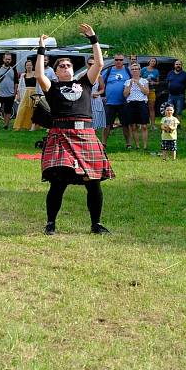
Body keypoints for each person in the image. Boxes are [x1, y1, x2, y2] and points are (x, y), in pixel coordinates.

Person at [36, 24, 114, 236]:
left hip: (86, 135)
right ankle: (51, 223)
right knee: (58, 182)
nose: (65, 67)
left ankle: (96, 224)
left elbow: (98, 63)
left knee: (94, 182)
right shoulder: (51, 86)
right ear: (56, 70)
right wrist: (41, 48)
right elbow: (39, 73)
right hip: (61, 135)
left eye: (68, 64)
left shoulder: (85, 83)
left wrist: (93, 38)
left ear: (73, 68)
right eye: (61, 65)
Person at [101, 53, 131, 148]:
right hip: (110, 102)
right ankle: (103, 143)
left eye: (121, 60)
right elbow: (101, 80)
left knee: (125, 124)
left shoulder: (127, 70)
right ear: (114, 60)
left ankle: (128, 144)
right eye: (117, 60)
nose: (118, 61)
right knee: (107, 124)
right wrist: (102, 93)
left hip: (123, 102)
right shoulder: (109, 70)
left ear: (123, 61)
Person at [123, 62, 150, 149]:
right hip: (131, 103)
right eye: (133, 69)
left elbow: (146, 92)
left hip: (141, 103)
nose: (134, 71)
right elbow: (125, 95)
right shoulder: (127, 81)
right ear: (131, 71)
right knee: (133, 126)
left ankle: (145, 146)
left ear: (139, 71)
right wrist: (130, 84)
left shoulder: (144, 81)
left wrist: (138, 83)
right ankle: (137, 145)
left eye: (136, 69)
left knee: (144, 126)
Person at [13, 59, 38, 131]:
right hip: (26, 93)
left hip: (34, 93)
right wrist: (18, 95)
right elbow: (20, 86)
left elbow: (39, 86)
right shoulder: (23, 75)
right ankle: (19, 125)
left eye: (30, 65)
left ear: (32, 66)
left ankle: (32, 126)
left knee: (33, 110)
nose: (29, 66)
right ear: (25, 66)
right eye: (27, 65)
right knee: (22, 109)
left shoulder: (36, 74)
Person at [0, 53, 19, 130]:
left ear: (11, 60)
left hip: (10, 94)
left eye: (9, 59)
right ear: (3, 59)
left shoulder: (13, 69)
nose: (7, 60)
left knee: (8, 110)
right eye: (6, 59)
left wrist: (15, 92)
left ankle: (6, 125)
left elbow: (16, 82)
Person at [88, 57, 106, 134]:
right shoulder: (82, 76)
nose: (91, 66)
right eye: (90, 64)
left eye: (93, 64)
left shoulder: (99, 76)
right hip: (86, 101)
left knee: (95, 124)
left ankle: (94, 142)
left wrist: (97, 93)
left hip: (95, 100)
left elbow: (102, 89)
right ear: (87, 64)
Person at [141, 57, 159, 130]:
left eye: (154, 61)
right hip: (143, 91)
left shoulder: (156, 71)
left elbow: (158, 82)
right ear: (149, 62)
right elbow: (139, 78)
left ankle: (153, 125)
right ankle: (141, 124)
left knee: (151, 108)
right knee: (142, 108)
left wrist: (153, 82)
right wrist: (145, 81)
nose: (153, 62)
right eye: (152, 61)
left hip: (152, 90)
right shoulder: (144, 69)